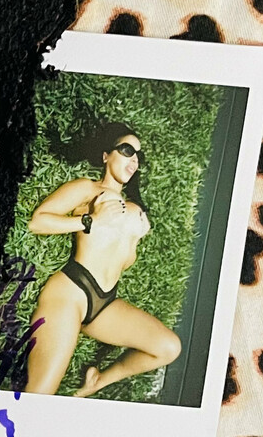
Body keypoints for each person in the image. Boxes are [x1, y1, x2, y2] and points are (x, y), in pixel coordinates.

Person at [22, 119, 181, 399]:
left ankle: (97, 381)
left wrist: (134, 236)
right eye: (127, 150)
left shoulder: (135, 210)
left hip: (106, 303)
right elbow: (38, 222)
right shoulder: (88, 189)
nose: (134, 160)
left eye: (138, 156)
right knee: (40, 393)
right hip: (71, 294)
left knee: (168, 347)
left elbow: (123, 260)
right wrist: (90, 220)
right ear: (106, 156)